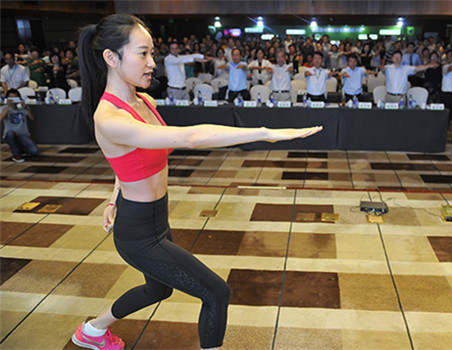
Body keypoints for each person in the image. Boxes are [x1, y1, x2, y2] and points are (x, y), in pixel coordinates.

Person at [72, 14, 321, 350]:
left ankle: (93, 330)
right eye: (143, 54)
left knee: (158, 289)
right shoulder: (110, 117)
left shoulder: (143, 101)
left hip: (156, 218)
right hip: (138, 232)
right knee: (217, 292)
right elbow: (190, 137)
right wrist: (264, 133)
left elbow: (124, 160)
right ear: (111, 58)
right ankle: (94, 331)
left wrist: (114, 198)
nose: (152, 63)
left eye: (152, 54)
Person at [0, 89, 39, 162]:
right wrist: (8, 107)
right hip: (10, 134)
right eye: (11, 98)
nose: (13, 100)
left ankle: (20, 149)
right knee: (10, 134)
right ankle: (16, 155)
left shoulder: (22, 108)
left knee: (34, 151)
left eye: (15, 98)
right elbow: (1, 118)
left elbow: (32, 118)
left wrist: (26, 108)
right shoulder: (3, 108)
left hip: (22, 134)